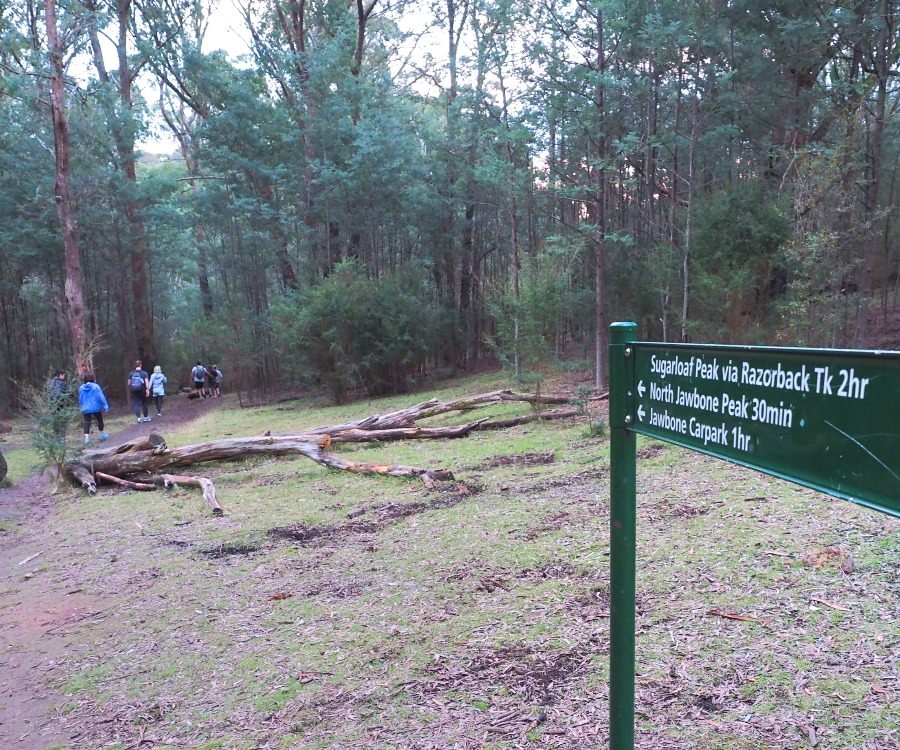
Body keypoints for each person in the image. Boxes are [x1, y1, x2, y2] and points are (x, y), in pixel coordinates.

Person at [78, 373, 109, 445]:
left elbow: (80, 398)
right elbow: (101, 396)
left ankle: (86, 439)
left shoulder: (81, 388)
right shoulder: (96, 386)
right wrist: (105, 406)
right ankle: (102, 434)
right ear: (92, 379)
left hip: (85, 408)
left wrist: (81, 406)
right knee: (100, 420)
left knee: (87, 422)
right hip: (96, 407)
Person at [47, 369, 71, 438]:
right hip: (62, 404)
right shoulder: (64, 383)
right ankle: (62, 436)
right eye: (63, 375)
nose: (64, 377)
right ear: (60, 375)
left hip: (52, 404)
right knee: (62, 420)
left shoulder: (50, 383)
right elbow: (69, 393)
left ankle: (56, 435)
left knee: (55, 420)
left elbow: (48, 393)